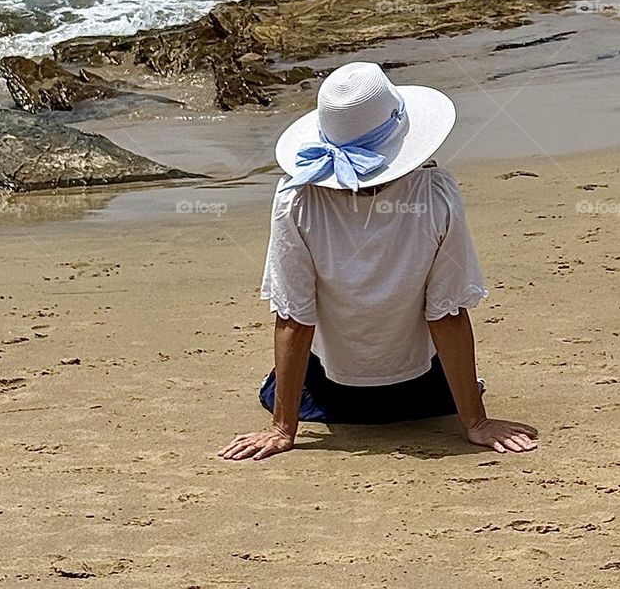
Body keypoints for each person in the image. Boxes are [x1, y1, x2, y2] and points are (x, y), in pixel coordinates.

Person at [219, 61, 538, 462]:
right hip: (424, 397)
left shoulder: (295, 202)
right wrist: (475, 422)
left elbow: (295, 318)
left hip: (323, 400)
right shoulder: (436, 196)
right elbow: (446, 314)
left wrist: (283, 428)